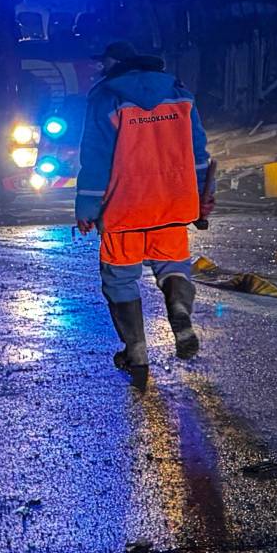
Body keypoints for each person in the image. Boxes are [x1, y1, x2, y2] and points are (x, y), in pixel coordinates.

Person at [76, 40, 215, 388]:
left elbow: (96, 159)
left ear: (116, 63)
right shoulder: (179, 93)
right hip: (173, 203)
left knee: (120, 279)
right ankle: (179, 312)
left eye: (103, 62)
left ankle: (136, 352)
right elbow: (198, 150)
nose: (100, 68)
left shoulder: (106, 97)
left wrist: (88, 208)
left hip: (125, 206)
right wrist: (199, 195)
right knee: (173, 267)